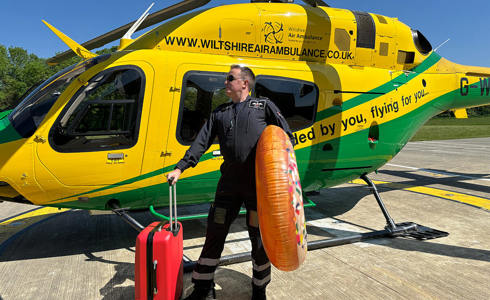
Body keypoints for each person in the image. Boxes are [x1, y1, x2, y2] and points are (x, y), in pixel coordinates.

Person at [167, 64, 293, 300]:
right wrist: (180, 168)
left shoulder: (263, 106)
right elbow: (201, 142)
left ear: (244, 83)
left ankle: (259, 289)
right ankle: (203, 287)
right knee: (215, 233)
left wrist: (283, 180)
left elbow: (286, 139)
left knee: (258, 240)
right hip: (229, 186)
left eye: (230, 78)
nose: (225, 82)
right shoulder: (220, 112)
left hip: (258, 188)